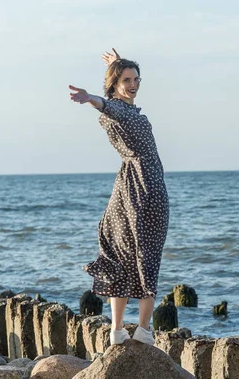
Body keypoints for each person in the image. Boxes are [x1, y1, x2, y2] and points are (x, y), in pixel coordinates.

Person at [68, 48, 169, 346]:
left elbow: (112, 104)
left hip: (126, 190)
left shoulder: (121, 108)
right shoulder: (118, 110)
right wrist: (91, 99)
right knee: (146, 258)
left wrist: (116, 68)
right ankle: (143, 330)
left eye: (136, 78)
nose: (134, 83)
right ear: (114, 84)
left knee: (122, 257)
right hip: (147, 190)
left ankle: (118, 331)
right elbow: (108, 106)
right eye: (127, 79)